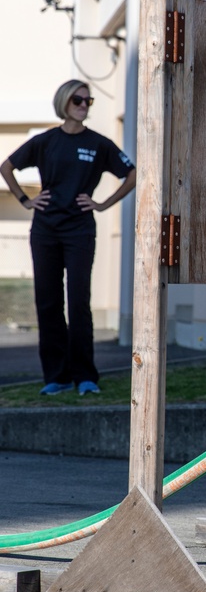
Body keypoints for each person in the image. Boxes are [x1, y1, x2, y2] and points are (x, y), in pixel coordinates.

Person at [1, 79, 136, 396]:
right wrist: (25, 200)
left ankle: (85, 377)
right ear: (64, 102)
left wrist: (103, 203)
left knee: (78, 303)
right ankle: (56, 377)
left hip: (80, 230)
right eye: (78, 100)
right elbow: (7, 167)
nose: (84, 106)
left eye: (89, 101)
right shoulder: (46, 141)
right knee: (48, 303)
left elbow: (132, 173)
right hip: (45, 229)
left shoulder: (99, 144)